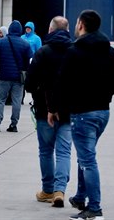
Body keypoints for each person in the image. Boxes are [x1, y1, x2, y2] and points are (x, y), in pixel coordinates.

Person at [57, 10, 114, 220]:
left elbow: (61, 83)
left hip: (82, 113)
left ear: (81, 25)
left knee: (88, 160)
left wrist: (57, 109)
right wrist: (106, 92)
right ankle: (80, 196)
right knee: (85, 154)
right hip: (102, 112)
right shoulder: (109, 51)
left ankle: (95, 208)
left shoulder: (74, 51)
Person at [24, 16, 73, 207]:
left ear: (51, 30)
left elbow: (29, 84)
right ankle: (60, 190)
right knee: (64, 152)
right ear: (67, 30)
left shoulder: (43, 52)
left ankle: (48, 190)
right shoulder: (75, 52)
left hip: (44, 110)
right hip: (69, 111)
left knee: (45, 151)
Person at [0, 20, 32, 132]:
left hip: (4, 76)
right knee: (16, 101)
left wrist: (0, 64)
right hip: (18, 78)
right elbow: (30, 61)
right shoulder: (25, 44)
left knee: (0, 100)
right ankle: (13, 125)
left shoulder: (1, 42)